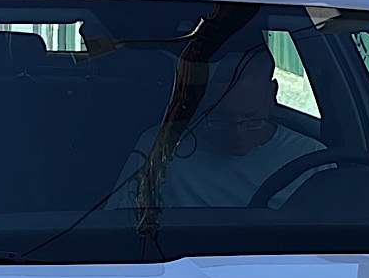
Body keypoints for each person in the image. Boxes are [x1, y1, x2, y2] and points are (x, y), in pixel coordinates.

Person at [118, 41, 323, 215]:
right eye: (220, 119)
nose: (238, 132)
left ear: (273, 93)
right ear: (199, 104)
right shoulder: (160, 148)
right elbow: (123, 224)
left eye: (251, 118)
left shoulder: (312, 159)